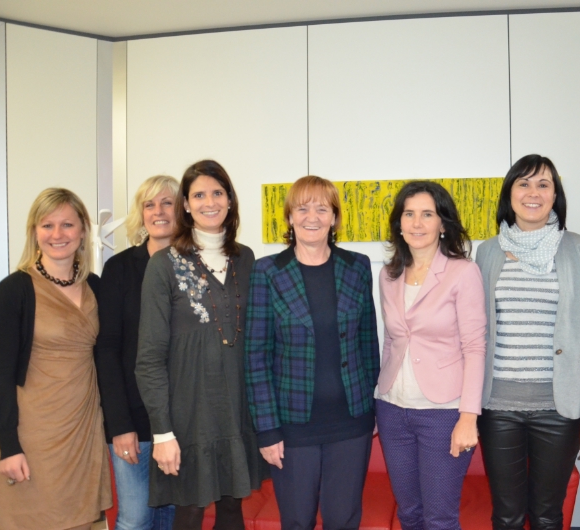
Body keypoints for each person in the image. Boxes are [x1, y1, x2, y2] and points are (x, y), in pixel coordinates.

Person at [475, 154, 580, 530]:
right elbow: (476, 334)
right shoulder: (487, 252)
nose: (532, 192)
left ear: (555, 196)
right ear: (510, 194)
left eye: (543, 184)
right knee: (506, 515)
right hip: (498, 407)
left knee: (548, 515)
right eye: (523, 183)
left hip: (559, 409)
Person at [135, 160, 266, 530]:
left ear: (230, 200)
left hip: (237, 410)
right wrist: (162, 432)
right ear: (186, 205)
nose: (210, 202)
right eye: (199, 195)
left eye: (217, 193)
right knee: (190, 513)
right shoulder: (163, 264)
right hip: (188, 416)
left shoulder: (246, 258)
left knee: (232, 510)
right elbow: (149, 358)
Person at [245, 175, 379, 530]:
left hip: (351, 422)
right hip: (291, 426)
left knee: (343, 520)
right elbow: (256, 358)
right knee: (297, 521)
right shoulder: (267, 271)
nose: (312, 217)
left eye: (322, 209)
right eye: (302, 208)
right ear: (290, 217)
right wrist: (267, 430)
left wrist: (374, 406)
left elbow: (368, 342)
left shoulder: (357, 266)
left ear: (334, 218)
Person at [0, 188, 111, 530]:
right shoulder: (14, 291)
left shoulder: (96, 287)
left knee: (79, 520)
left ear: (83, 230)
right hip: (32, 432)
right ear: (34, 231)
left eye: (67, 224)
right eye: (47, 225)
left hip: (82, 430)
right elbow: (0, 376)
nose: (58, 234)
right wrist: (9, 445)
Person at [376, 181, 486, 530]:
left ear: (442, 223)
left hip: (443, 414)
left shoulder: (463, 272)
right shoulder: (388, 275)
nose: (417, 223)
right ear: (399, 223)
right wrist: (379, 393)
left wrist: (468, 416)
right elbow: (392, 341)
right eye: (409, 214)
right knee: (409, 513)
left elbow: (475, 347)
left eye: (427, 214)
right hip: (392, 411)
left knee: (439, 518)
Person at [96, 175, 179, 529]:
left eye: (167, 203)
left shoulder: (195, 265)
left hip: (181, 420)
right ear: (141, 213)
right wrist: (119, 425)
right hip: (132, 417)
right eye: (149, 204)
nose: (158, 211)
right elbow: (107, 349)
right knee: (135, 518)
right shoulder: (119, 268)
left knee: (169, 517)